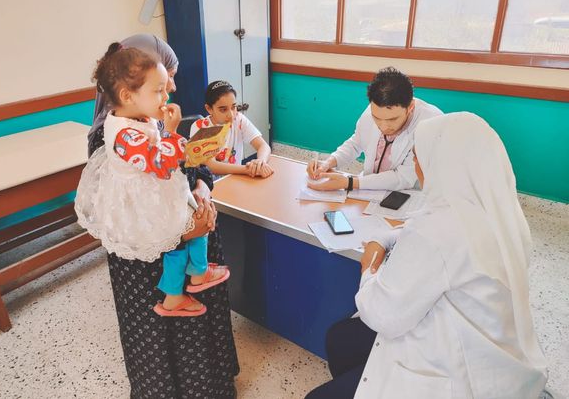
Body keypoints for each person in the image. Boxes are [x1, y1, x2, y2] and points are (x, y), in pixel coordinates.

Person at [306, 112, 548, 399]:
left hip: (455, 372)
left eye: (419, 158)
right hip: (494, 357)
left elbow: (381, 314)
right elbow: (436, 233)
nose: (417, 166)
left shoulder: (435, 232)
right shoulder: (501, 214)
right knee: (341, 337)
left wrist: (369, 267)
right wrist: (390, 235)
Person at [84, 36, 239, 398]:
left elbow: (192, 166)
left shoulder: (146, 117)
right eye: (163, 82)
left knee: (204, 322)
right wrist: (184, 232)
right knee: (171, 344)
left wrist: (201, 189)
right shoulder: (115, 136)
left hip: (186, 220)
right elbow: (131, 215)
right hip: (149, 266)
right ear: (127, 94)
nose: (171, 89)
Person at [307, 67, 441, 192]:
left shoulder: (430, 124)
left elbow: (403, 178)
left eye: (392, 120)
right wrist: (329, 162)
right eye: (376, 118)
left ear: (410, 107)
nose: (383, 127)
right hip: (369, 190)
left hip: (409, 195)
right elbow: (356, 143)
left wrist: (350, 182)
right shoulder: (376, 107)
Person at [190, 80, 273, 178]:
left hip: (235, 178)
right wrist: (248, 169)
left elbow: (263, 146)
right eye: (223, 110)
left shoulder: (239, 119)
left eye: (233, 107)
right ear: (209, 109)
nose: (231, 115)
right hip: (209, 183)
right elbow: (212, 166)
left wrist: (260, 162)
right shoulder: (199, 127)